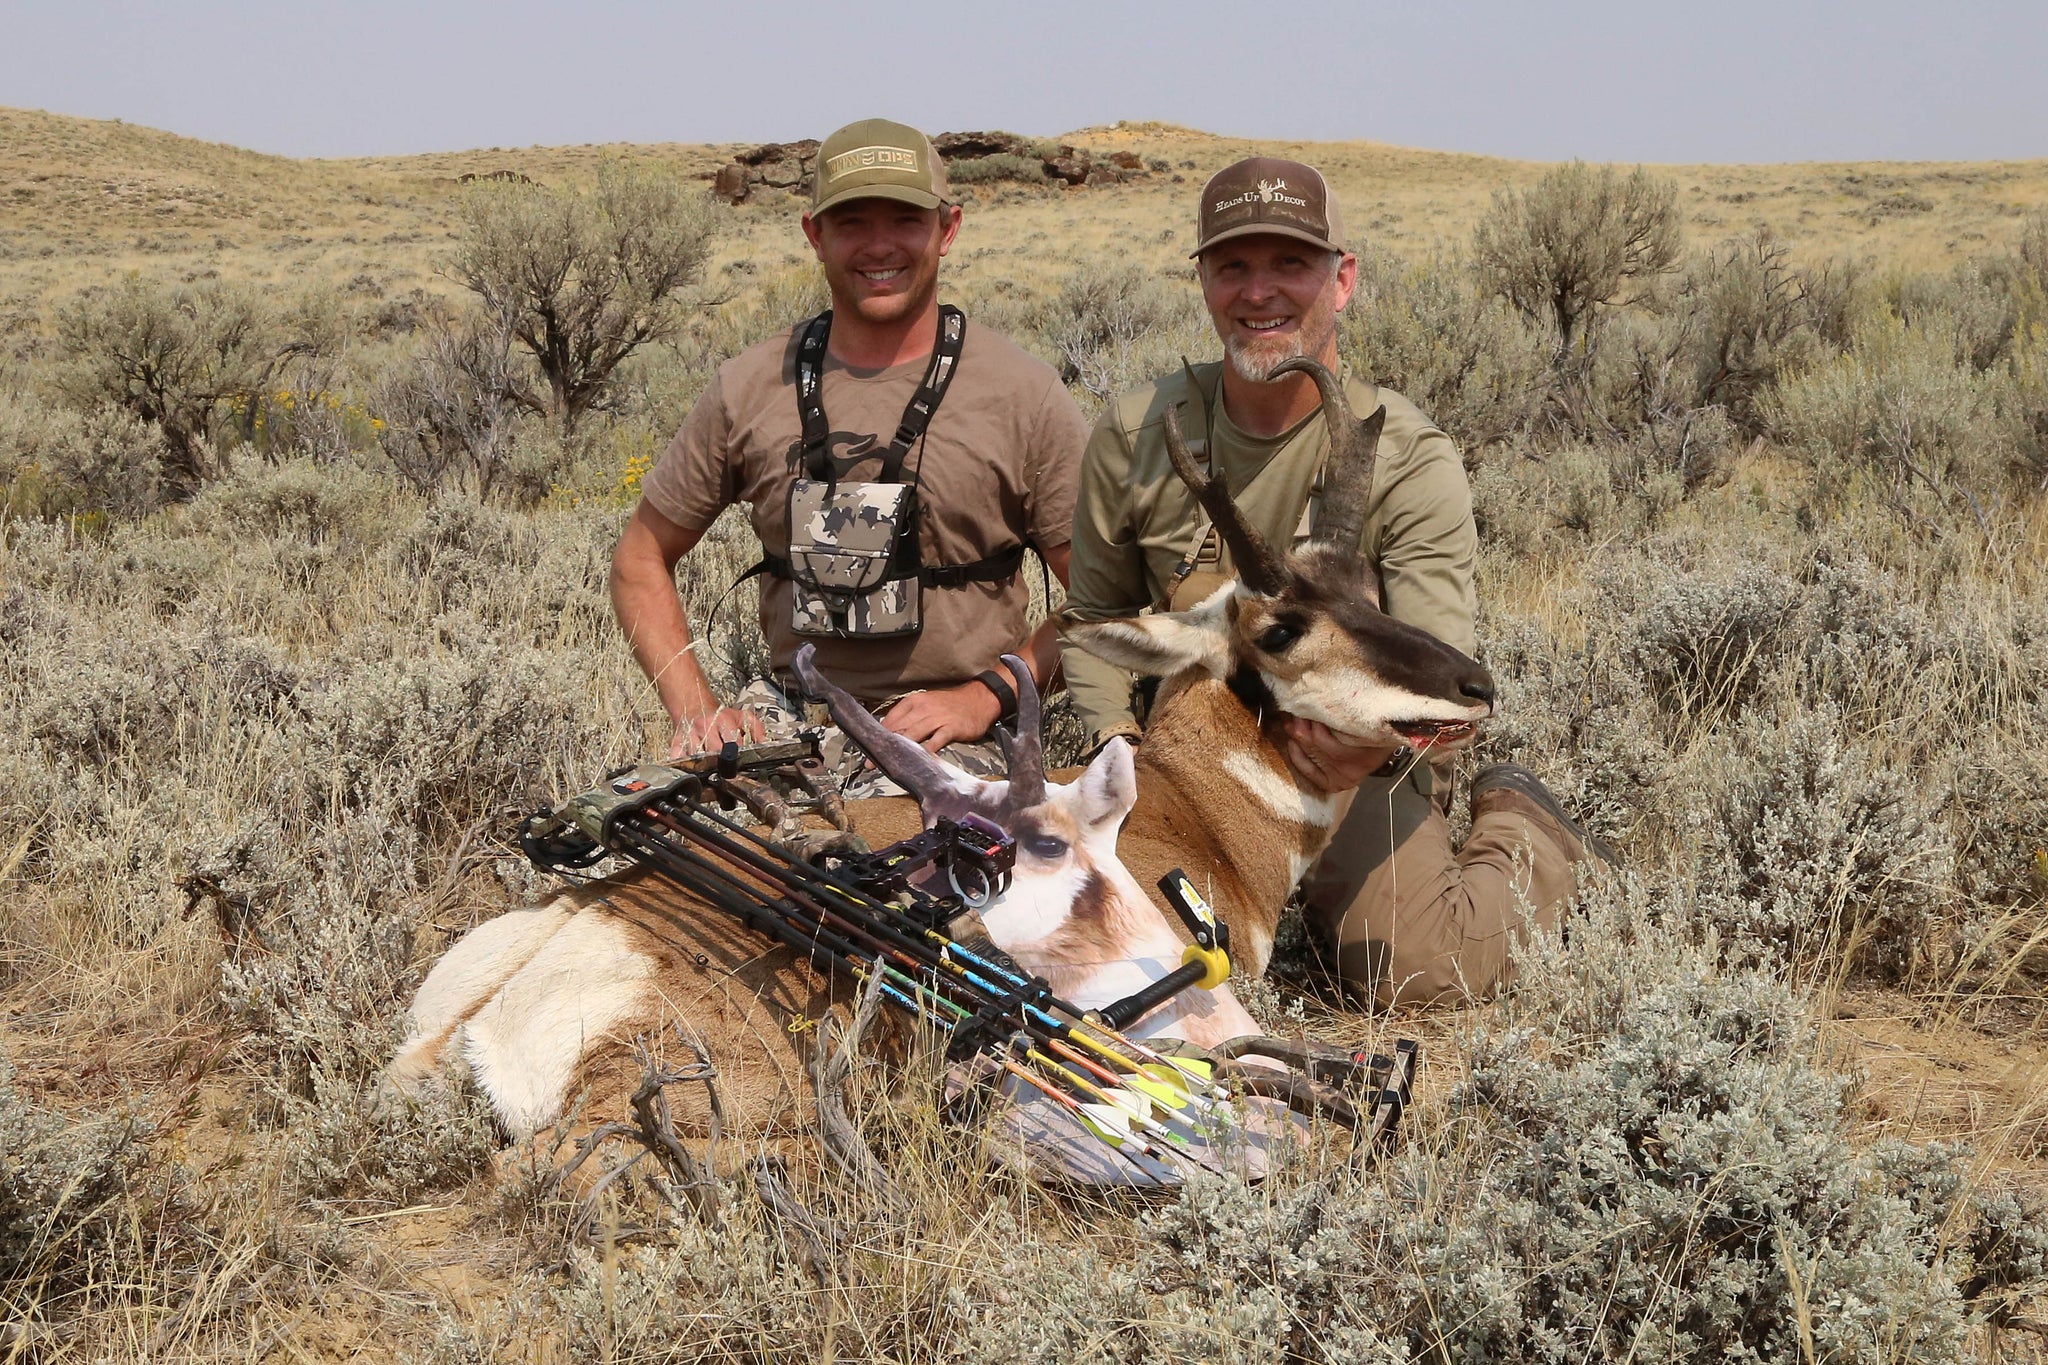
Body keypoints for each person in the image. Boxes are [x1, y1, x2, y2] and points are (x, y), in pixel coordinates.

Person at [1060, 156, 1606, 1006]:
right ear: (1203, 280)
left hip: (1350, 762)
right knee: (1104, 945)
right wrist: (1110, 743)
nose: (1259, 292)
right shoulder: (1139, 431)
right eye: (1233, 266)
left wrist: (1360, 749)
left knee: (1422, 970)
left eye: (1291, 264)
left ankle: (1529, 826)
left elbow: (1441, 681)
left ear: (1341, 278)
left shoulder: (1409, 459)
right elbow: (1094, 617)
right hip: (1181, 758)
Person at [611, 119, 1086, 792]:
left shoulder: (1025, 395)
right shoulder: (748, 386)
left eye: (905, 220)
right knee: (647, 832)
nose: (880, 245)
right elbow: (639, 558)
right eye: (853, 222)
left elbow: (1104, 597)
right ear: (816, 235)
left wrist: (986, 697)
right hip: (785, 715)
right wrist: (698, 711)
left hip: (952, 731)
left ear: (947, 229)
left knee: (899, 881)